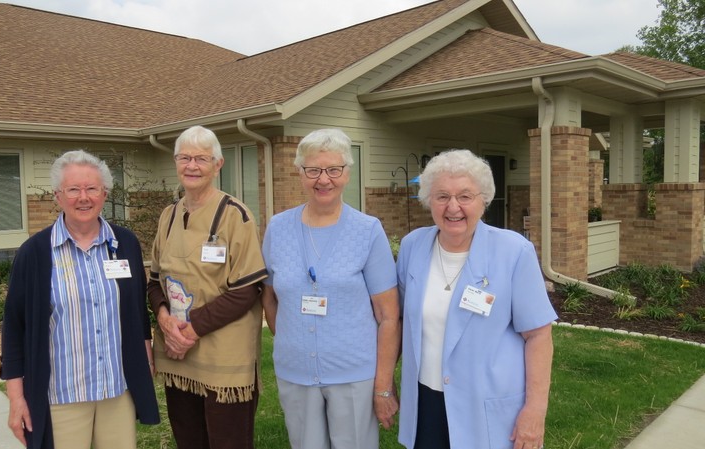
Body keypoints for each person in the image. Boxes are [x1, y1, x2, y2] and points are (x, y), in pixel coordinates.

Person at [396, 149, 557, 449]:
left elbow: (538, 335)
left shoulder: (513, 252)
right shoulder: (412, 247)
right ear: (428, 200)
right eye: (442, 195)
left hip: (486, 406)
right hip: (426, 401)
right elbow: (401, 318)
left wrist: (535, 411)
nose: (453, 207)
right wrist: (382, 385)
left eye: (465, 196)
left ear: (483, 200)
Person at [0, 150, 160, 449]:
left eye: (92, 189)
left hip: (117, 391)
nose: (83, 197)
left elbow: (137, 309)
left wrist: (146, 355)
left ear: (105, 194)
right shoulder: (34, 253)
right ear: (58, 196)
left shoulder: (124, 244)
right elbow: (14, 329)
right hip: (62, 396)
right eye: (74, 189)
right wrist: (16, 398)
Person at [261, 128, 400, 449]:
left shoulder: (367, 231)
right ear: (300, 173)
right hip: (294, 372)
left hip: (353, 373)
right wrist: (289, 341)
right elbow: (268, 296)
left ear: (347, 173)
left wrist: (382, 386)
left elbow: (389, 315)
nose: (323, 179)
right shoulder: (278, 228)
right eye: (313, 170)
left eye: (333, 169)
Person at [147, 125, 267, 449]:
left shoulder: (235, 216)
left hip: (223, 361)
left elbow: (247, 290)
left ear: (218, 164)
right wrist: (164, 320)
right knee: (189, 440)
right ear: (175, 162)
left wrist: (190, 330)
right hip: (178, 356)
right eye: (185, 157)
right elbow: (155, 281)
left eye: (201, 158)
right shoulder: (168, 215)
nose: (192, 165)